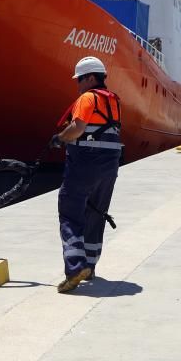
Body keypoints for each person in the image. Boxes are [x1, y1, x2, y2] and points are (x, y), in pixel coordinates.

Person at [51, 56, 122, 293]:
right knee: (96, 214)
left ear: (91, 78)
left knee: (69, 213)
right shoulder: (114, 102)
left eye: (79, 79)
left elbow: (78, 128)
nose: (78, 84)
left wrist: (60, 138)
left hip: (85, 163)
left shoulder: (87, 98)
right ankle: (89, 266)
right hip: (110, 167)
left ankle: (75, 268)